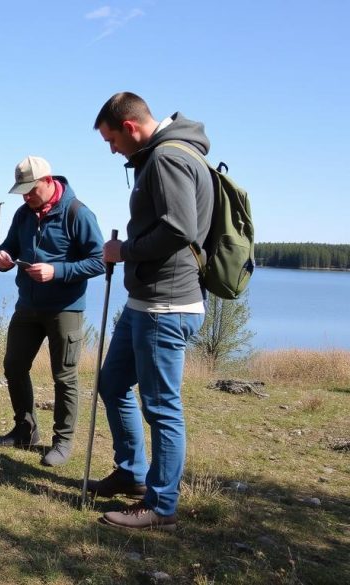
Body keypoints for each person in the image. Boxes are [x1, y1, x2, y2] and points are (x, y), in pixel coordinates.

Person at [88, 92, 213, 531]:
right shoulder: (163, 156)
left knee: (161, 407)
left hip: (167, 303)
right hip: (147, 301)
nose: (112, 149)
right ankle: (133, 474)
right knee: (113, 382)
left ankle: (161, 506)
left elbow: (180, 230)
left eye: (111, 140)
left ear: (131, 127)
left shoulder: (166, 159)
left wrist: (124, 251)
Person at [0, 156, 105, 467]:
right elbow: (8, 247)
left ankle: (62, 442)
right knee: (13, 365)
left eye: (31, 190)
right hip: (27, 305)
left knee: (64, 377)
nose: (26, 197)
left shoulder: (78, 213)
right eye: (22, 191)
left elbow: (99, 260)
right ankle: (26, 430)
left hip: (64, 309)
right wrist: (0, 257)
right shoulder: (23, 214)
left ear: (48, 181)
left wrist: (58, 271)